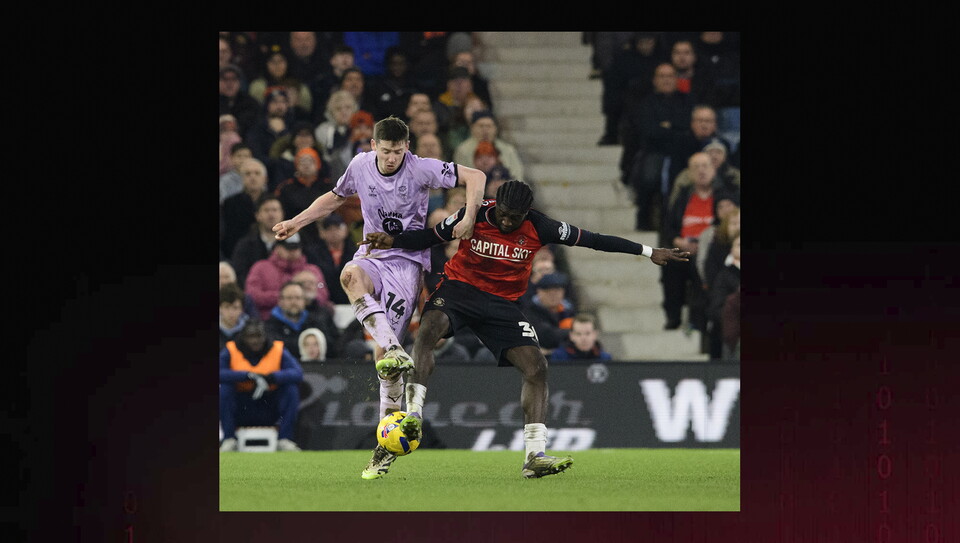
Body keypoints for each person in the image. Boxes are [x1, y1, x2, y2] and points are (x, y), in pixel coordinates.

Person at [357, 179, 690, 479]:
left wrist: (648, 252)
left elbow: (593, 239)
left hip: (502, 305)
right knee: (428, 331)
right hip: (459, 290)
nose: (505, 221)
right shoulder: (473, 213)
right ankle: (413, 416)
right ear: (496, 204)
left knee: (537, 367)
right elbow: (431, 236)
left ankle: (534, 455)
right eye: (502, 213)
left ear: (526, 212)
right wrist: (392, 240)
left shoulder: (541, 226)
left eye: (513, 217)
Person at [271, 115, 486, 437]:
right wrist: (297, 222)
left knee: (383, 359)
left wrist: (469, 217)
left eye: (397, 151)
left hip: (407, 263)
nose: (391, 158)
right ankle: (394, 355)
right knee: (349, 276)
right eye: (385, 150)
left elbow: (476, 175)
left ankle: (387, 431)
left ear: (407, 148)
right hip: (372, 254)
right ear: (373, 146)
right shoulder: (359, 165)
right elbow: (336, 197)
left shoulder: (421, 167)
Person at [619, 62, 694, 231]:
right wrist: (674, 128)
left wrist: (667, 126)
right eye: (662, 76)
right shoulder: (646, 103)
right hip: (654, 151)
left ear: (676, 79)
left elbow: (688, 127)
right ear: (654, 80)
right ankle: (644, 219)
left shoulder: (687, 100)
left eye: (670, 76)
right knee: (649, 177)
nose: (666, 80)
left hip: (681, 152)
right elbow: (648, 131)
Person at [219, 320, 304, 452]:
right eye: (251, 337)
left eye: (259, 336)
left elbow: (298, 373)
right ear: (243, 337)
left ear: (265, 336)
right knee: (224, 388)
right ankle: (229, 439)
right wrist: (246, 375)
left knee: (291, 388)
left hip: (269, 406)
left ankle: (285, 439)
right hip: (242, 407)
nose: (255, 341)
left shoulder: (277, 349)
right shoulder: (231, 349)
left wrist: (272, 378)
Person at [660, 152, 719, 331]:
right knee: (671, 263)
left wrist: (705, 245)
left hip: (712, 250)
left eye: (705, 166)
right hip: (685, 247)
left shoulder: (724, 195)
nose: (701, 171)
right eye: (696, 167)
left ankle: (699, 320)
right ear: (690, 173)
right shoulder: (682, 195)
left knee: (703, 267)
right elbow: (668, 226)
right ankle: (673, 317)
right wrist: (677, 240)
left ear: (713, 169)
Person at [599, 32, 666, 146]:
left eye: (648, 42)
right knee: (614, 100)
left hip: (657, 97)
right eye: (642, 43)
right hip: (630, 98)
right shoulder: (624, 59)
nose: (645, 46)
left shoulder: (662, 58)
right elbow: (615, 84)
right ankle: (612, 133)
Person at [245, 232, 329, 321]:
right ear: (277, 248)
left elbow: (322, 295)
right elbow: (252, 295)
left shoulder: (312, 270)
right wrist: (286, 297)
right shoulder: (261, 268)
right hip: (268, 321)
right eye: (288, 248)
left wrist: (300, 298)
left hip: (307, 321)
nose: (293, 252)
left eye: (296, 248)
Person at [274, 147, 335, 248]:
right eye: (302, 161)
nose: (306, 164)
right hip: (295, 232)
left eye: (310, 161)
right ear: (296, 165)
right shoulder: (286, 188)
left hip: (324, 231)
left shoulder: (327, 186)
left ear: (318, 164)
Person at [264, 280, 336, 361]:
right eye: (289, 298)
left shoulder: (316, 322)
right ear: (280, 301)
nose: (294, 302)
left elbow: (330, 345)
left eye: (298, 298)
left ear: (304, 301)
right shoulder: (270, 326)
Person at [453, 110, 525, 182]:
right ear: (472, 128)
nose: (485, 130)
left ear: (495, 129)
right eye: (481, 126)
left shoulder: (507, 149)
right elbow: (459, 176)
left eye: (489, 126)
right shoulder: (463, 150)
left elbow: (517, 174)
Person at [230, 194, 285, 288]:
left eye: (275, 210)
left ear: (282, 214)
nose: (271, 214)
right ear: (257, 215)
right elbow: (239, 273)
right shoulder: (245, 245)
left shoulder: (294, 242)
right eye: (266, 210)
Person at [302, 213, 357, 305]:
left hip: (351, 302)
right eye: (329, 229)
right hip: (324, 304)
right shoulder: (313, 254)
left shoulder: (356, 253)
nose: (333, 232)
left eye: (337, 228)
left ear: (346, 230)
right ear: (322, 233)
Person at [220, 158, 269, 259]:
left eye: (257, 173)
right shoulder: (230, 203)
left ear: (265, 179)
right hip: (237, 253)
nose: (252, 177)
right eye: (248, 174)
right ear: (242, 179)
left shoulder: (274, 202)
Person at [248, 43, 314, 115]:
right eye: (272, 61)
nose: (277, 65)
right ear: (266, 64)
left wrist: (295, 106)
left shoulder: (300, 87)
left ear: (288, 63)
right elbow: (256, 112)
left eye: (281, 61)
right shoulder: (258, 86)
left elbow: (307, 112)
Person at [522, 272, 576, 356]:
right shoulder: (529, 311)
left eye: (557, 290)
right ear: (539, 291)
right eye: (548, 291)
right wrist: (573, 333)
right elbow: (546, 336)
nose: (553, 295)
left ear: (563, 292)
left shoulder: (568, 311)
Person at [708, 234, 740, 361]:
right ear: (732, 250)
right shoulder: (724, 275)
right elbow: (716, 308)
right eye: (739, 245)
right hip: (733, 333)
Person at [266, 120, 323, 192]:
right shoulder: (282, 163)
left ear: (313, 140)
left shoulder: (323, 163)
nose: (304, 139)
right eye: (300, 135)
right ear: (293, 140)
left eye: (307, 135)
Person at [244, 87, 294, 164]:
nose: (280, 106)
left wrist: (283, 132)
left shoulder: (293, 126)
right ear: (267, 105)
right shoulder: (257, 128)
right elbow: (256, 155)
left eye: (283, 102)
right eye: (275, 102)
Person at [369, 46, 419, 121]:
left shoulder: (413, 87)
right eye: (394, 64)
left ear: (407, 65)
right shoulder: (378, 87)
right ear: (388, 65)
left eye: (401, 64)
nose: (397, 67)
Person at [549, 313, 613, 361]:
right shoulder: (559, 357)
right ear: (571, 336)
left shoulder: (605, 358)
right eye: (578, 334)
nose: (583, 338)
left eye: (587, 333)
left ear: (595, 334)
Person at [219, 64, 260, 136]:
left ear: (240, 82)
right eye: (225, 79)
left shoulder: (251, 104)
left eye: (233, 79)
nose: (229, 84)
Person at [219, 281, 253, 352]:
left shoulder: (250, 329)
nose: (231, 313)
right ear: (220, 308)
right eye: (227, 307)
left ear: (242, 310)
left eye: (235, 307)